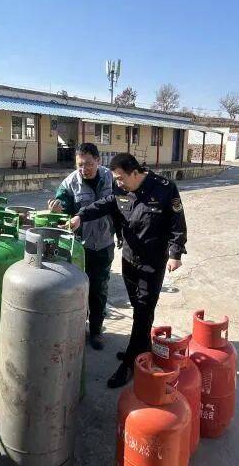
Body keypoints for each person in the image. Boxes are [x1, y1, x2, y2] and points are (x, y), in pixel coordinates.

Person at [68, 152, 187, 388]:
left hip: (152, 261)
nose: (118, 183)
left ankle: (130, 363)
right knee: (138, 307)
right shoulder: (121, 187)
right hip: (129, 258)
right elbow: (106, 203)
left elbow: (177, 222)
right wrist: (81, 216)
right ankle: (143, 348)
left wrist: (176, 253)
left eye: (121, 178)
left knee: (143, 310)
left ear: (135, 172)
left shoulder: (165, 188)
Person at [48, 143, 119, 350]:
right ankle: (78, 329)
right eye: (79, 164)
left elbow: (122, 205)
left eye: (88, 164)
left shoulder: (111, 178)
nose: (83, 169)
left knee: (99, 289)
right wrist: (57, 210)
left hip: (104, 244)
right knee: (77, 290)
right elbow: (62, 213)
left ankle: (96, 331)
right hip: (79, 248)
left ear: (98, 160)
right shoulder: (70, 183)